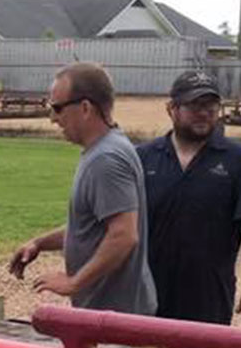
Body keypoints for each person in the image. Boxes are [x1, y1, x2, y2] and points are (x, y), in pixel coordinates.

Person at [9, 62, 156, 315]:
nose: (53, 118)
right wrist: (40, 243)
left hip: (115, 318)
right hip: (111, 314)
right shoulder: (104, 150)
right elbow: (92, 228)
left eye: (57, 108)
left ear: (86, 108)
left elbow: (123, 235)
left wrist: (73, 283)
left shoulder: (105, 159)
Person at [136, 72, 241, 325]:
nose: (204, 113)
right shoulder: (142, 158)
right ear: (171, 109)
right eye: (194, 105)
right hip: (146, 291)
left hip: (209, 295)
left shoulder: (239, 160)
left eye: (211, 106)